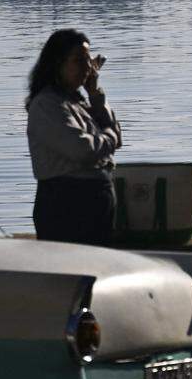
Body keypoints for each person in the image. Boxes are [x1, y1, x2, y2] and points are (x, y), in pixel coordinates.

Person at [26, 29, 121, 246]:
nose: (88, 68)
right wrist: (110, 137)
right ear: (57, 63)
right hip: (67, 207)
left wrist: (95, 94)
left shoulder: (78, 102)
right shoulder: (47, 105)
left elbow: (116, 135)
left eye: (89, 61)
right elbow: (83, 150)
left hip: (94, 204)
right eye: (79, 61)